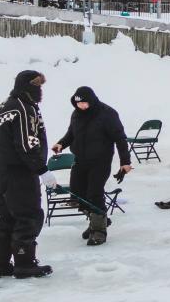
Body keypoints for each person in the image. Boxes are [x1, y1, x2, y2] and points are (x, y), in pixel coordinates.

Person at [0, 70, 52, 279]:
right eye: (37, 86)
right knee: (28, 216)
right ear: (27, 87)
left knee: (6, 217)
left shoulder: (4, 107)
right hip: (20, 173)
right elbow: (27, 144)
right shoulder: (24, 109)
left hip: (0, 171)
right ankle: (25, 264)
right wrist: (41, 169)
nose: (40, 90)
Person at [51, 86, 132, 246]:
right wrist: (61, 144)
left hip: (100, 161)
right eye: (78, 104)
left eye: (84, 103)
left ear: (92, 100)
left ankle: (99, 231)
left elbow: (120, 139)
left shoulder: (107, 114)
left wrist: (125, 162)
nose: (81, 107)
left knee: (94, 193)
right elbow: (71, 134)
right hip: (80, 160)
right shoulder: (76, 114)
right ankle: (99, 220)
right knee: (77, 193)